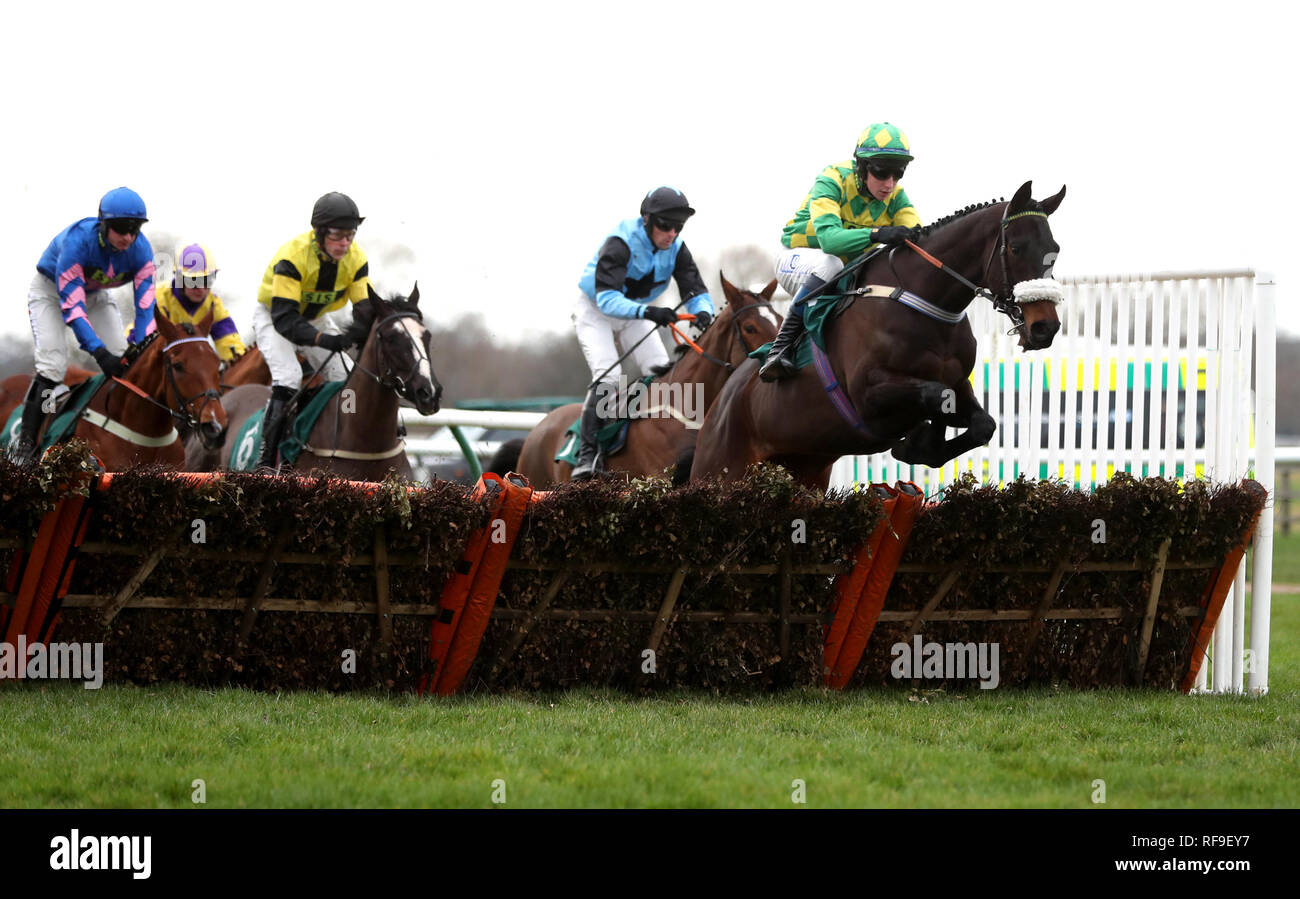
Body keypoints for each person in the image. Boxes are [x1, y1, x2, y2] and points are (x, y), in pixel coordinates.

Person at [571, 186, 715, 480]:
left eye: (678, 226)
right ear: (646, 220)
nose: (672, 233)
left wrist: (704, 313)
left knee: (660, 373)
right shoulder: (620, 242)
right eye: (665, 225)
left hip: (633, 310)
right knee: (609, 376)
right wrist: (650, 312)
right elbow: (607, 299)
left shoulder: (677, 248)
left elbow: (695, 289)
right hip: (596, 309)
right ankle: (588, 454)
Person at [760, 122, 923, 381]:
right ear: (862, 166)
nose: (890, 184)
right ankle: (780, 348)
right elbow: (829, 241)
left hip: (843, 269)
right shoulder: (832, 179)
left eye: (898, 173)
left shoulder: (896, 196)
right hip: (796, 258)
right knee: (831, 263)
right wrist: (878, 234)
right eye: (882, 172)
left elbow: (918, 236)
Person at [10, 187, 157, 464]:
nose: (128, 237)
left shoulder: (142, 250)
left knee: (125, 357)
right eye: (120, 228)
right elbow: (73, 310)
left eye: (134, 229)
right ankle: (25, 447)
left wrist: (140, 341)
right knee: (53, 364)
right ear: (103, 224)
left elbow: (146, 306)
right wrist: (99, 353)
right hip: (51, 294)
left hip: (97, 295)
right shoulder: (77, 242)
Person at [251, 191, 375, 470]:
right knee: (290, 376)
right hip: (274, 317)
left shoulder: (356, 259)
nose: (345, 243)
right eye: (337, 235)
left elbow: (364, 307)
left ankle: (346, 442)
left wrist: (363, 334)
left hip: (315, 318)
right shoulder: (293, 257)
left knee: (344, 378)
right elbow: (285, 320)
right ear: (319, 233)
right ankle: (266, 459)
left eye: (350, 235)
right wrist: (325, 340)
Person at [155, 243, 246, 362]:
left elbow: (229, 341)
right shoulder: (159, 297)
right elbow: (156, 347)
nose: (201, 288)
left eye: (207, 280)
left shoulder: (213, 304)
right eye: (194, 281)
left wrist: (238, 362)